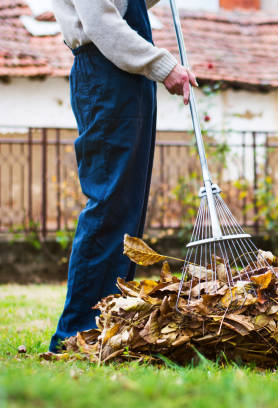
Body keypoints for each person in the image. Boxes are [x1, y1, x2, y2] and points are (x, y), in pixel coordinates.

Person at [49, 0, 196, 352]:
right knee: (109, 203)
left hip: (126, 78)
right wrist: (163, 65)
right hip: (105, 72)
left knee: (127, 207)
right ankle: (77, 331)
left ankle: (108, 322)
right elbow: (102, 23)